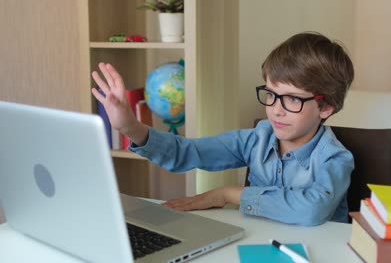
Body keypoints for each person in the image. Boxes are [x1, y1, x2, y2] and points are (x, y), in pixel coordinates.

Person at [91, 32, 355, 226]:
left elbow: (311, 210)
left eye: (293, 99)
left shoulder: (335, 158)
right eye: (271, 94)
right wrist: (131, 127)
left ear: (326, 107)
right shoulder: (257, 139)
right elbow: (189, 152)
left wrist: (227, 193)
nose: (276, 109)